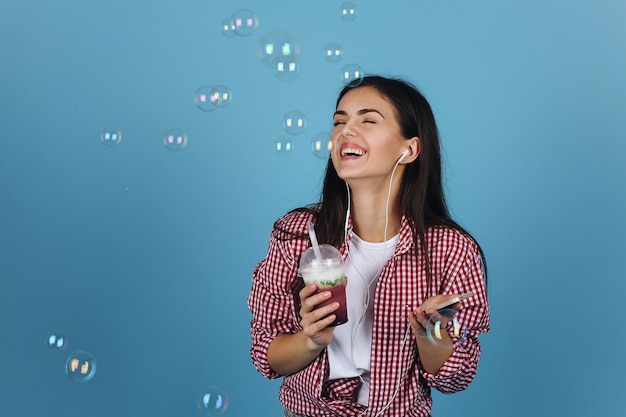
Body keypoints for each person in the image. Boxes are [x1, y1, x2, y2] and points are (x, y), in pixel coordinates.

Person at [248, 75, 490, 417]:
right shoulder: (298, 233)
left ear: (409, 149)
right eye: (339, 121)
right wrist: (311, 340)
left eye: (368, 119)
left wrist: (431, 333)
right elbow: (267, 355)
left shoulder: (451, 249)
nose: (346, 130)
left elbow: (456, 379)